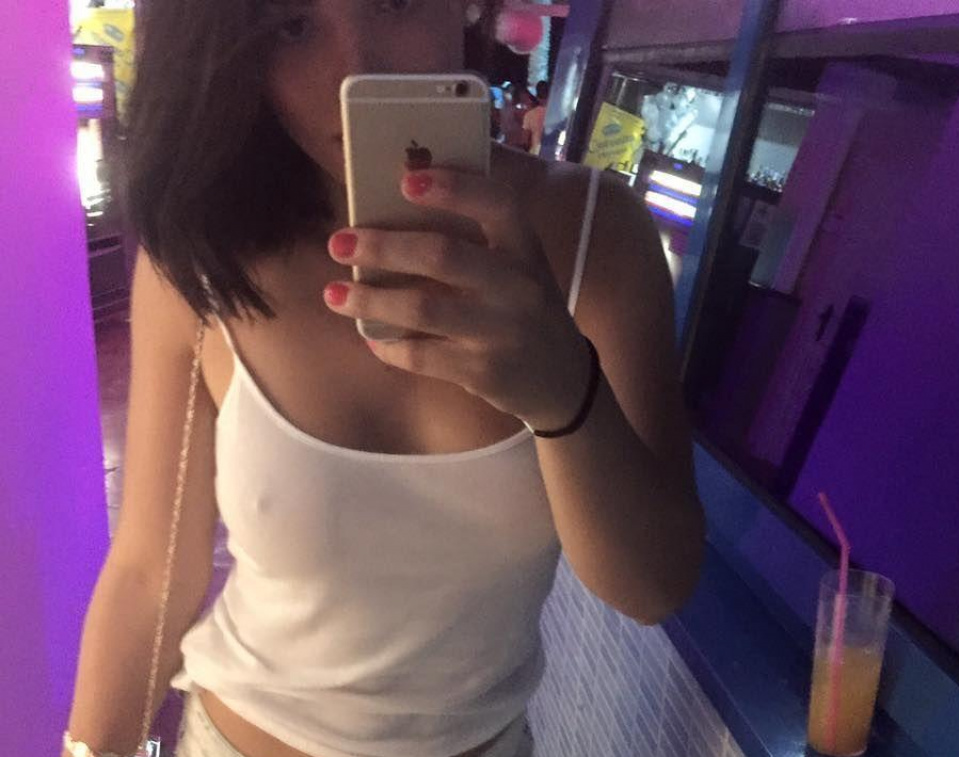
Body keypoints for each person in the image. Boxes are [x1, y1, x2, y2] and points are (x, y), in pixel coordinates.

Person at [62, 2, 705, 757]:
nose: (356, 70)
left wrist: (566, 394)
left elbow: (651, 588)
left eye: (394, 1)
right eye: (293, 26)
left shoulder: (599, 235)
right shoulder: (205, 253)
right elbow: (150, 574)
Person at [522, 80, 549, 156]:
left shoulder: (529, 115)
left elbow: (525, 140)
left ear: (537, 96)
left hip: (535, 155)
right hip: (551, 155)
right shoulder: (556, 114)